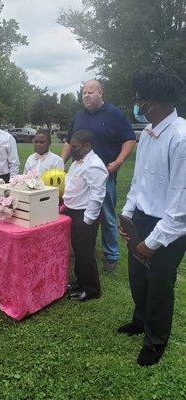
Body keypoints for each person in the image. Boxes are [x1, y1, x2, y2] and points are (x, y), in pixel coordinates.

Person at [118, 68, 186, 366]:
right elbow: (139, 181)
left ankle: (156, 340)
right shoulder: (146, 134)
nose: (136, 105)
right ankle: (141, 320)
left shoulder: (181, 139)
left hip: (170, 228)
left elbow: (180, 204)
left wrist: (153, 242)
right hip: (142, 219)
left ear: (154, 103)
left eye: (138, 101)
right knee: (137, 277)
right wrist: (126, 215)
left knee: (159, 283)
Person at [62, 80, 136, 272]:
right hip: (79, 173)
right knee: (77, 211)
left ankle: (111, 255)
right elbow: (71, 142)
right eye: (84, 92)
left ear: (101, 93)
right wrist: (61, 162)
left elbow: (129, 139)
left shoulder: (114, 114)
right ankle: (81, 248)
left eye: (90, 92)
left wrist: (119, 161)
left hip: (103, 174)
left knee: (107, 215)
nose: (86, 95)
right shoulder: (79, 115)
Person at [63, 130, 108, 301]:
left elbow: (98, 195)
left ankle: (91, 289)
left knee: (86, 253)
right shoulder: (78, 162)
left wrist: (87, 220)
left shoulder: (94, 165)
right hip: (73, 212)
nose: (72, 150)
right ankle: (80, 281)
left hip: (85, 214)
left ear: (87, 146)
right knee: (79, 251)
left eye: (75, 147)